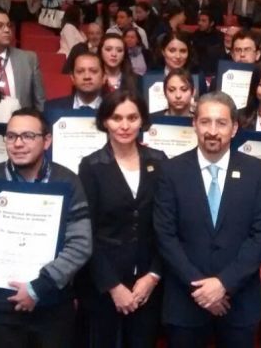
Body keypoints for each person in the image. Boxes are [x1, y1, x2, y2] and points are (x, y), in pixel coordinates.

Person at [0, 108, 92, 346]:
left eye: (28, 136)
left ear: (47, 140)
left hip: (52, 306)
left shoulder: (67, 181)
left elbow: (81, 243)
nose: (18, 144)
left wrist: (39, 288)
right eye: (11, 136)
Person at [154, 91, 261, 347]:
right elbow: (165, 236)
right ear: (194, 124)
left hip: (239, 302)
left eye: (221, 123)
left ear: (234, 128)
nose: (212, 130)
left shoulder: (257, 171)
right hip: (185, 303)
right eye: (205, 122)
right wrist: (201, 289)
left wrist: (224, 284)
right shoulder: (170, 171)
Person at [76, 90, 167, 347]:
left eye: (132, 117)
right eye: (117, 118)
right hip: (104, 283)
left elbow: (167, 225)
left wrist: (153, 276)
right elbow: (86, 232)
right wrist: (113, 286)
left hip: (148, 283)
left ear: (142, 121)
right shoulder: (91, 166)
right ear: (105, 121)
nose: (125, 125)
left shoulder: (159, 161)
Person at [0, 9, 46, 111]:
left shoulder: (28, 59)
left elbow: (40, 101)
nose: (7, 30)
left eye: (9, 25)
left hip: (21, 123)